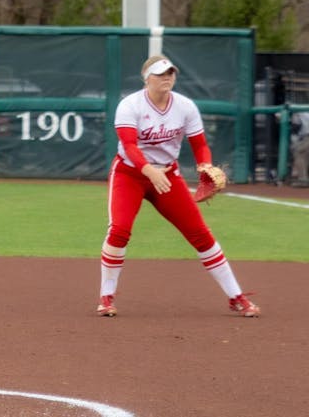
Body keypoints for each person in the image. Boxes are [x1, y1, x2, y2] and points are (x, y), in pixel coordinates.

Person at [96, 54, 260, 318]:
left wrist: (205, 166)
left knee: (200, 234)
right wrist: (149, 171)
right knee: (119, 230)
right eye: (161, 74)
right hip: (130, 174)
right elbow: (129, 145)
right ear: (147, 78)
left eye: (170, 73)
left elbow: (200, 144)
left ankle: (236, 296)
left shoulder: (185, 107)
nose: (167, 78)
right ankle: (106, 297)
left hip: (168, 175)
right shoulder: (130, 105)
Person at [289, 111, 309, 187]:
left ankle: (303, 180)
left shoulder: (297, 111)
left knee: (299, 154)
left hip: (307, 136)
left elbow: (296, 126)